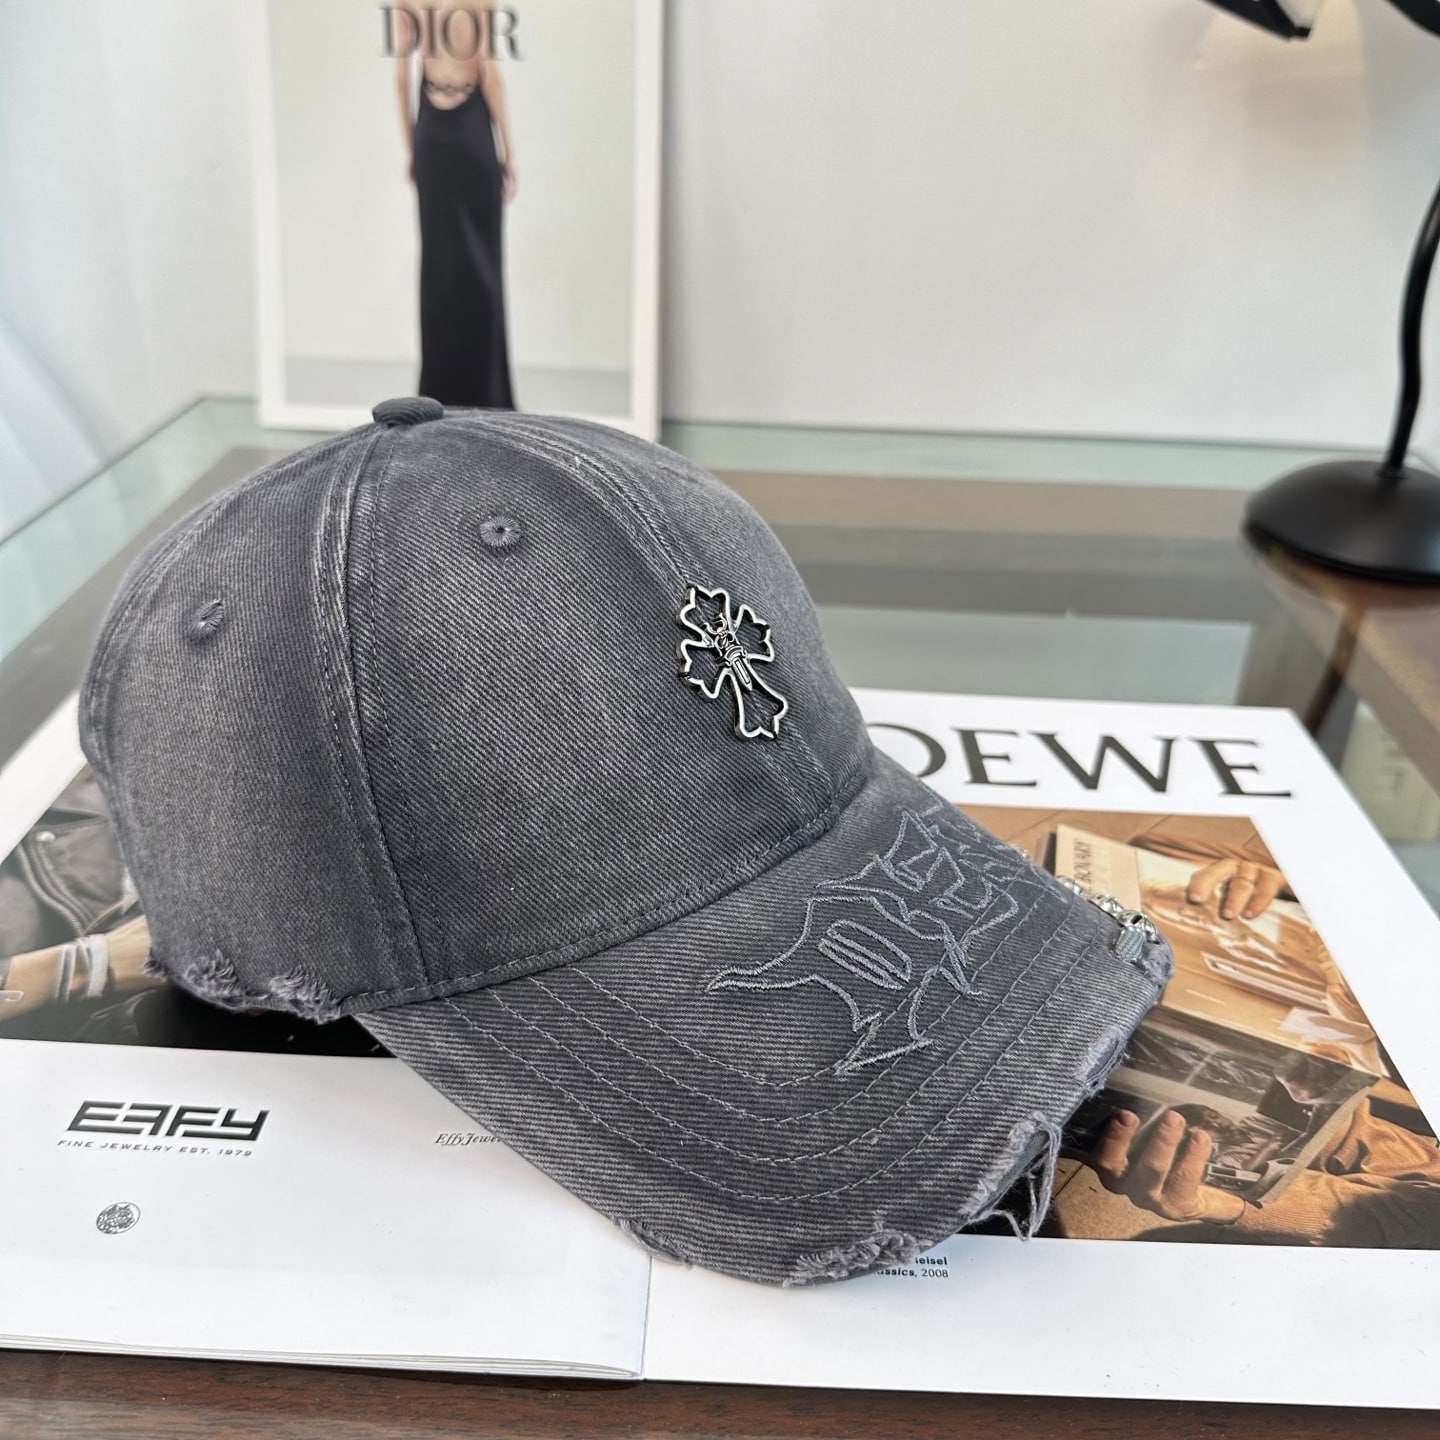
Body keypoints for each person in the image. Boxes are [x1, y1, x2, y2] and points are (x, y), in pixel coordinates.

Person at [395, 6, 517, 408]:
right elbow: (491, 78)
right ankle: (489, 397)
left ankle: (439, 395)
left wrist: (411, 147)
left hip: (431, 133)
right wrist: (509, 153)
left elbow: (401, 79)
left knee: (438, 267)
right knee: (484, 266)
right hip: (472, 134)